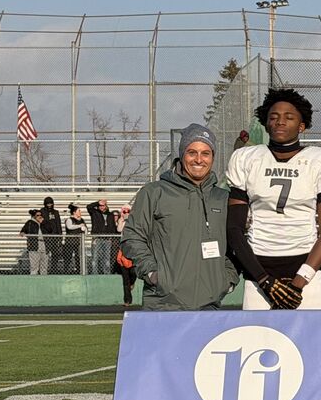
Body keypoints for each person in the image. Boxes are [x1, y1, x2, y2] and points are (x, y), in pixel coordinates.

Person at [226, 88, 321, 310]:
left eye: (289, 117)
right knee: (258, 340)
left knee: (308, 342)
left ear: (302, 125)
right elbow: (234, 228)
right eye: (274, 117)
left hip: (305, 266)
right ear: (266, 122)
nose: (280, 122)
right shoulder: (247, 158)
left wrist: (298, 284)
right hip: (259, 266)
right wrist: (263, 280)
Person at [123, 124, 236, 310]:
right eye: (192, 152)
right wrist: (154, 275)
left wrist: (227, 280)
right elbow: (132, 238)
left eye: (205, 153)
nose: (198, 159)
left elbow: (235, 247)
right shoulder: (155, 193)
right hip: (163, 305)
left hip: (209, 306)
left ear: (213, 157)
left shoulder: (223, 199)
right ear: (182, 154)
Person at [87, 199, 117, 275]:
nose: (102, 207)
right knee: (95, 259)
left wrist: (111, 237)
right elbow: (88, 207)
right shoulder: (95, 213)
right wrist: (98, 202)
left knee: (106, 259)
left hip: (107, 240)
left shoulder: (110, 215)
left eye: (103, 205)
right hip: (97, 239)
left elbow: (113, 227)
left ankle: (106, 275)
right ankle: (95, 275)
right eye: (100, 206)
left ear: (106, 206)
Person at [115, 204, 137, 306]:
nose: (126, 213)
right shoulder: (122, 221)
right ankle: (127, 300)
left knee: (133, 272)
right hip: (123, 249)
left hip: (133, 249)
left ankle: (132, 283)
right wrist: (122, 220)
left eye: (128, 211)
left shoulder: (134, 222)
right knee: (125, 278)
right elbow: (119, 230)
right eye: (124, 211)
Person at [38, 196, 62, 275]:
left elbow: (58, 224)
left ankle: (54, 270)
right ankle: (44, 271)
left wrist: (60, 237)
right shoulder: (41, 211)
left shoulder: (56, 212)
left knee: (55, 254)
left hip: (55, 237)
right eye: (48, 203)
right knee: (45, 255)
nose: (49, 205)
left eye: (51, 203)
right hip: (45, 237)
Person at [19, 209, 45, 275]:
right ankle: (34, 279)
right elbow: (22, 231)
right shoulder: (30, 223)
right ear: (34, 216)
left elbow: (50, 229)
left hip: (44, 244)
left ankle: (44, 280)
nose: (40, 216)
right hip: (34, 244)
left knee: (44, 265)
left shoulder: (44, 223)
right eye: (37, 215)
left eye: (40, 215)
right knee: (34, 265)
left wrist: (42, 223)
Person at [63, 204, 86, 275]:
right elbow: (69, 227)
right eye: (78, 211)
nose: (80, 212)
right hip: (70, 242)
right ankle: (66, 270)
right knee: (68, 256)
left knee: (78, 257)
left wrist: (84, 229)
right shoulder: (69, 219)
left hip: (78, 242)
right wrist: (79, 226)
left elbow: (85, 229)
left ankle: (79, 270)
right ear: (74, 212)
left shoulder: (82, 220)